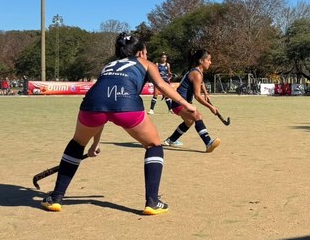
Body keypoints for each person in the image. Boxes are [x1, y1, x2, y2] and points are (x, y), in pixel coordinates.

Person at [40, 33, 197, 214]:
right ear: (140, 53)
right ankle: (152, 202)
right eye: (145, 52)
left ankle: (56, 197)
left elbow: (104, 111)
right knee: (154, 145)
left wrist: (94, 145)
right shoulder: (146, 63)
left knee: (76, 144)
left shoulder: (109, 65)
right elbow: (162, 85)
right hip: (126, 104)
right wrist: (186, 104)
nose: (146, 56)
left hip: (93, 104)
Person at [162, 48, 221, 153]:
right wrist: (211, 107)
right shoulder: (196, 73)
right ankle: (208, 142)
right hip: (179, 102)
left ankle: (171, 140)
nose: (210, 62)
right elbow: (197, 96)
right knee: (197, 116)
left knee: (189, 121)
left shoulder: (198, 72)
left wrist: (206, 93)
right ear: (201, 61)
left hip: (181, 102)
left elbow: (200, 84)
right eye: (208, 60)